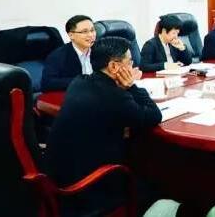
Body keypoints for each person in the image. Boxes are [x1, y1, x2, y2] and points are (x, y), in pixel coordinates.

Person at [45, 37, 161, 214]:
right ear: (114, 66)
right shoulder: (115, 96)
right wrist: (132, 86)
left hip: (59, 176)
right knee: (156, 186)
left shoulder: (79, 81)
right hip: (87, 187)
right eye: (130, 62)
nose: (133, 67)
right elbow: (153, 116)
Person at [41, 15, 96, 92]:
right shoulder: (58, 56)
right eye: (84, 32)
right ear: (71, 35)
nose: (90, 35)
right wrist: (83, 81)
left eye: (92, 30)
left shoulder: (100, 50)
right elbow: (47, 84)